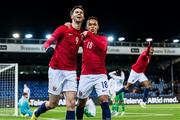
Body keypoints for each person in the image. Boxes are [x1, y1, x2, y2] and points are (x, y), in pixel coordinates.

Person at [31, 5, 85, 120]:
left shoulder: (81, 35)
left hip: (71, 72)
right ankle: (36, 113)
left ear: (83, 17)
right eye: (77, 12)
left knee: (71, 104)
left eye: (81, 12)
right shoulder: (63, 28)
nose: (79, 13)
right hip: (56, 70)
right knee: (52, 104)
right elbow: (51, 39)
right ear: (72, 16)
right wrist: (46, 46)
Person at [76, 16, 111, 120]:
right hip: (85, 75)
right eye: (90, 25)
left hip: (100, 75)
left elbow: (102, 47)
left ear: (98, 27)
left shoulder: (103, 39)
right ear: (86, 27)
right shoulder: (84, 39)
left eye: (94, 24)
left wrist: (89, 35)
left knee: (104, 99)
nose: (92, 26)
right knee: (81, 102)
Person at [115, 42, 154, 108]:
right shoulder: (144, 54)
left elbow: (144, 66)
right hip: (135, 72)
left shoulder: (149, 57)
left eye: (153, 50)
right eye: (150, 50)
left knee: (148, 86)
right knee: (127, 87)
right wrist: (149, 45)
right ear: (147, 50)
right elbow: (147, 52)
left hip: (141, 73)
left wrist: (142, 73)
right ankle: (116, 94)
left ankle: (143, 102)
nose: (152, 51)